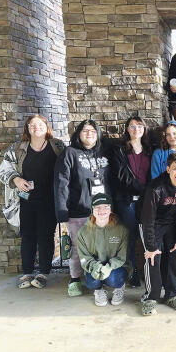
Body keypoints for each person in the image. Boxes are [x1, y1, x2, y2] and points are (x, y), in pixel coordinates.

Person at [0, 115, 65, 289]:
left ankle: (43, 273)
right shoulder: (18, 148)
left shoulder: (57, 146)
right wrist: (16, 180)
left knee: (46, 237)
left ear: (46, 126)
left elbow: (68, 168)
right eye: (32, 125)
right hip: (25, 201)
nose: (36, 128)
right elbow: (3, 171)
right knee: (27, 236)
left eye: (40, 124)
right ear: (27, 128)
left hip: (50, 201)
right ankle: (27, 272)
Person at [54, 119, 112, 297]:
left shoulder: (105, 152)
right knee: (78, 248)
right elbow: (61, 184)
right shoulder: (69, 153)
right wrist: (62, 214)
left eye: (93, 130)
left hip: (103, 212)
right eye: (85, 130)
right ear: (78, 133)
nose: (89, 133)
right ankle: (74, 278)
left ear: (99, 134)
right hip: (78, 210)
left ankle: (96, 275)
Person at [139, 151, 176, 316]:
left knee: (175, 254)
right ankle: (151, 297)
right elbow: (147, 218)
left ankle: (173, 294)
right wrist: (150, 246)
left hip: (170, 222)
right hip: (149, 222)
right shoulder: (155, 187)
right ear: (167, 169)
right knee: (153, 258)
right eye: (175, 169)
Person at [111, 116, 152, 288]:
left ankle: (150, 272)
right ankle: (133, 272)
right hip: (126, 200)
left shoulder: (151, 149)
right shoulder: (119, 150)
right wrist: (140, 188)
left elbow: (153, 174)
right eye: (132, 126)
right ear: (127, 129)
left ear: (144, 128)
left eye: (139, 126)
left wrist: (148, 192)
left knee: (146, 237)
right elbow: (121, 176)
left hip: (146, 201)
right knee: (130, 237)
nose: (136, 129)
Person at [150, 120, 176, 283]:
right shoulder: (159, 153)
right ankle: (163, 275)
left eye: (175, 133)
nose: (172, 137)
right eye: (168, 134)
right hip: (163, 204)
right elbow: (154, 177)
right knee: (163, 241)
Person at [77, 194, 129, 307]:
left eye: (106, 206)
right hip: (95, 267)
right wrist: (94, 266)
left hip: (116, 268)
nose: (102, 210)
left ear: (111, 209)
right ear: (92, 210)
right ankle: (99, 290)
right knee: (92, 282)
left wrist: (109, 267)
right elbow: (84, 257)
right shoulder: (83, 232)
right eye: (97, 207)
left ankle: (119, 287)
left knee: (113, 279)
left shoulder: (121, 230)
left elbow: (122, 257)